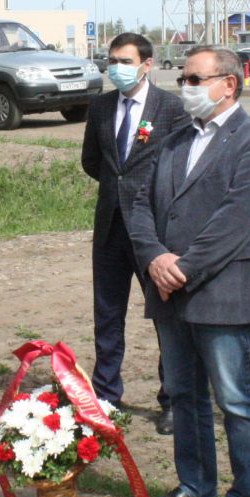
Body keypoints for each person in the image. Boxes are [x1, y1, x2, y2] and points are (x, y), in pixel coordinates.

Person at [125, 45, 250, 497]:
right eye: (185, 79)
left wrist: (185, 268)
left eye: (196, 79)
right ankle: (195, 484)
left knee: (235, 400)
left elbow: (238, 218)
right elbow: (137, 204)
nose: (186, 87)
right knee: (184, 394)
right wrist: (154, 257)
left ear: (229, 84)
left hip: (220, 290)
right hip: (169, 291)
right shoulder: (172, 140)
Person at [81, 32, 190, 435]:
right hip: (110, 227)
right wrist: (119, 190)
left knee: (166, 317)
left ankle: (173, 398)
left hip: (154, 232)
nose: (117, 68)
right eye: (112, 60)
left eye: (125, 61)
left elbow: (179, 166)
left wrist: (144, 200)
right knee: (107, 316)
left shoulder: (170, 108)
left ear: (146, 64)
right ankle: (106, 396)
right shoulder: (101, 106)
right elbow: (92, 161)